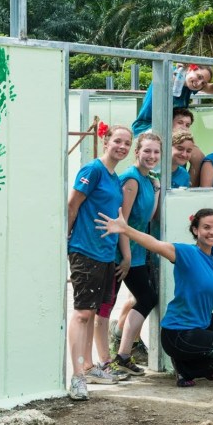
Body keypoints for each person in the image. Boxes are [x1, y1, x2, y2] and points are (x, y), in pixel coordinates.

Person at [95, 201, 213, 387]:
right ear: (195, 230)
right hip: (178, 335)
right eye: (206, 227)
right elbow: (155, 244)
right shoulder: (186, 253)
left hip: (199, 328)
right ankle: (186, 369)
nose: (212, 232)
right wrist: (125, 229)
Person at [66, 124, 133, 400]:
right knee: (82, 313)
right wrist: (65, 241)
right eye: (117, 141)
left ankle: (89, 367)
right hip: (85, 250)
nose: (122, 146)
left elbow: (118, 220)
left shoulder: (115, 178)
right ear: (106, 141)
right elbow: (72, 205)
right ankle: (77, 377)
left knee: (93, 313)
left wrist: (125, 254)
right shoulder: (93, 170)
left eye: (127, 143)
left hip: (106, 254)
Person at [101, 133, 162, 377]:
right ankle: (107, 361)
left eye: (156, 152)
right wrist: (125, 257)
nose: (152, 156)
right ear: (137, 152)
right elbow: (121, 222)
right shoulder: (132, 179)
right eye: (147, 151)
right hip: (120, 253)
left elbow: (149, 217)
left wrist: (156, 190)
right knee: (107, 307)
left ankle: (123, 356)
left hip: (135, 253)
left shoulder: (148, 180)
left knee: (147, 298)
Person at [133, 66, 213, 186]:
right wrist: (182, 67)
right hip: (149, 128)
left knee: (198, 158)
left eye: (203, 82)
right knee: (172, 155)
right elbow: (169, 74)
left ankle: (186, 189)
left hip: (172, 131)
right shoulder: (172, 75)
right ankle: (154, 186)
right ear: (190, 69)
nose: (199, 83)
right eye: (199, 77)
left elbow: (212, 88)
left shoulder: (189, 87)